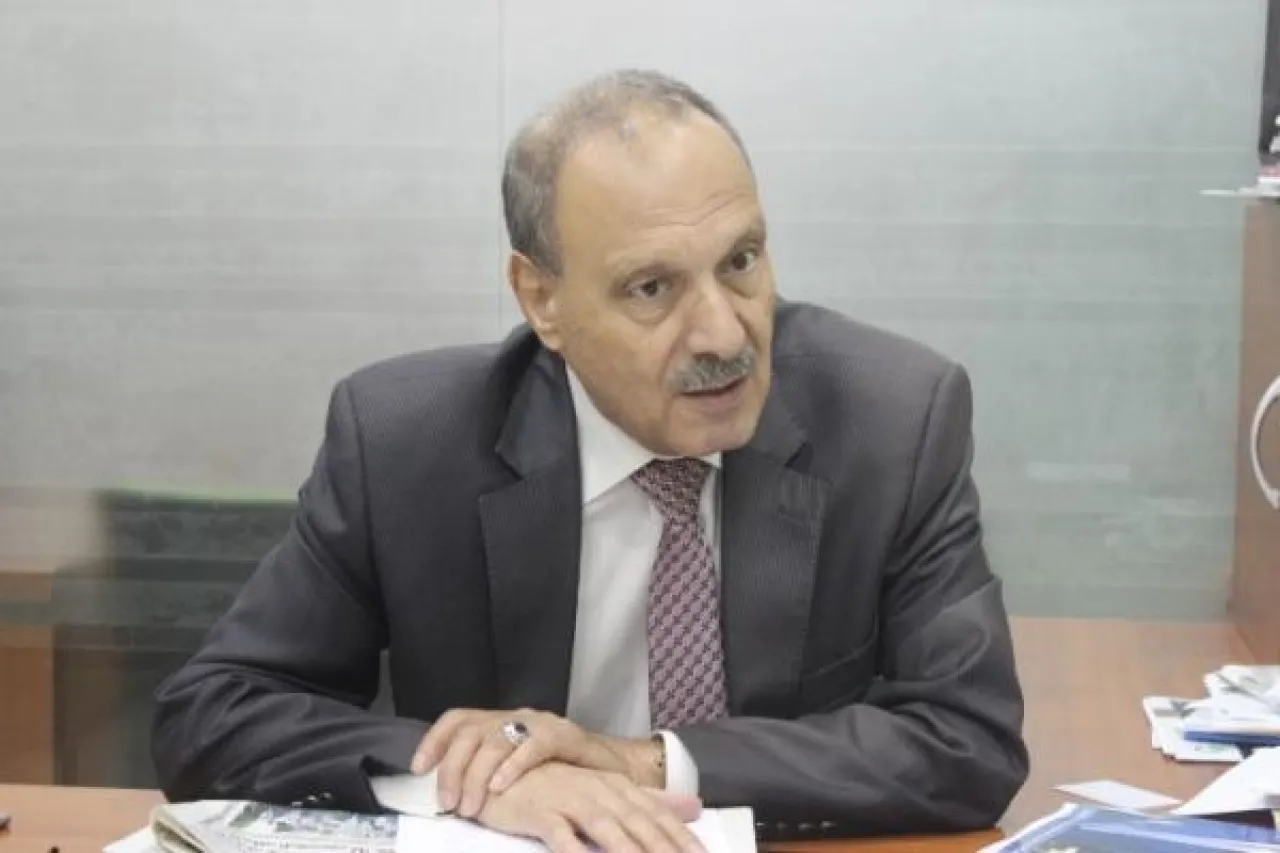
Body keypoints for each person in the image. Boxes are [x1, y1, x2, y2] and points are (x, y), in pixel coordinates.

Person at [152, 69, 1028, 852]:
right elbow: (215, 712)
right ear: (542, 300)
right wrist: (487, 779)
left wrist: (638, 764)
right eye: (653, 288)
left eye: (741, 261)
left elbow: (968, 739)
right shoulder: (404, 443)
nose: (723, 333)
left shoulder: (893, 419)